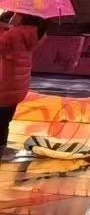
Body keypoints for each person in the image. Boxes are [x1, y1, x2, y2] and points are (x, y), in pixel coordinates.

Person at [0, 15, 45, 151]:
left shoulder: (13, 35)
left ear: (22, 18)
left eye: (16, 13)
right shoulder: (35, 33)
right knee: (4, 121)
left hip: (4, 86)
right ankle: (1, 146)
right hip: (17, 87)